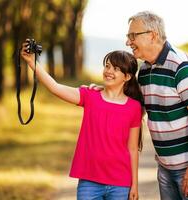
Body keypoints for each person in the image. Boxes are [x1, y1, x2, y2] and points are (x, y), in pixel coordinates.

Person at [21, 44, 143, 200]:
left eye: (116, 69)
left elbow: (132, 149)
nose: (109, 71)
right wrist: (32, 63)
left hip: (121, 183)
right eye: (107, 66)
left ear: (127, 77)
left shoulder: (134, 107)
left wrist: (135, 185)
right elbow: (55, 87)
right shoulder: (90, 96)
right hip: (89, 182)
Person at [125, 11, 188, 200]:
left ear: (152, 35)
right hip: (166, 167)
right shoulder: (144, 70)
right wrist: (103, 92)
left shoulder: (181, 66)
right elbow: (135, 107)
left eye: (132, 36)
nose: (128, 42)